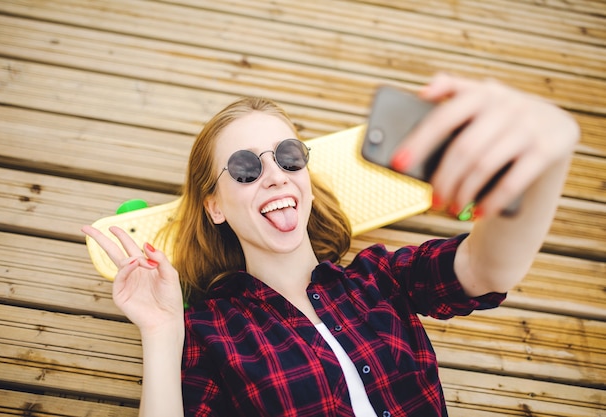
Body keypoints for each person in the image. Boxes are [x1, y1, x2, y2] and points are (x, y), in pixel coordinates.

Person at [82, 73, 579, 417]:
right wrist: (162, 331)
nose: (276, 176)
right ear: (215, 206)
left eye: (289, 156)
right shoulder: (214, 332)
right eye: (246, 169)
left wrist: (550, 159)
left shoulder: (379, 279)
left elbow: (487, 269)